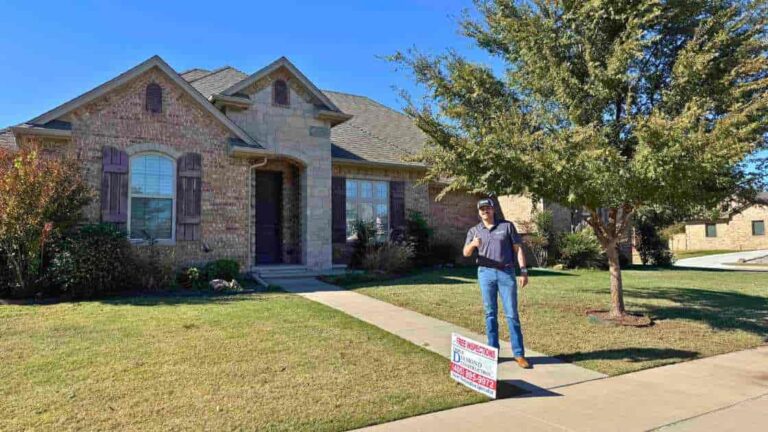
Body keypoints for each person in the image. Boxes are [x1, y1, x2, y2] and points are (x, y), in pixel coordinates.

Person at [463, 198, 530, 369]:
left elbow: (518, 249)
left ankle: (519, 354)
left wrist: (523, 270)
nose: (485, 211)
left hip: (506, 272)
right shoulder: (474, 230)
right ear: (479, 212)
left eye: (488, 208)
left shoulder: (506, 226)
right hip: (485, 273)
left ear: (493, 210)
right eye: (482, 209)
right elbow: (465, 253)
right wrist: (473, 244)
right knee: (490, 313)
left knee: (512, 314)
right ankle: (492, 352)